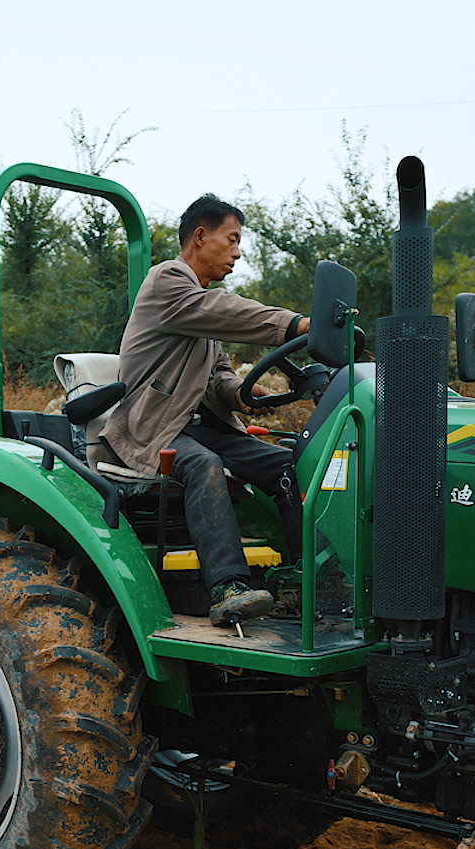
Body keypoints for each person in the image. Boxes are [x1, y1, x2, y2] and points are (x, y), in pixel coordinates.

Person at [91, 194, 309, 627]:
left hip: (198, 426)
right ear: (199, 236)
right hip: (152, 428)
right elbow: (222, 310)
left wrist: (243, 394)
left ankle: (305, 580)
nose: (238, 252)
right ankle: (228, 587)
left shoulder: (201, 316)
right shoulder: (168, 282)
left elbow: (218, 379)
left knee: (292, 466)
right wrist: (296, 325)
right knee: (203, 464)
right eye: (231, 240)